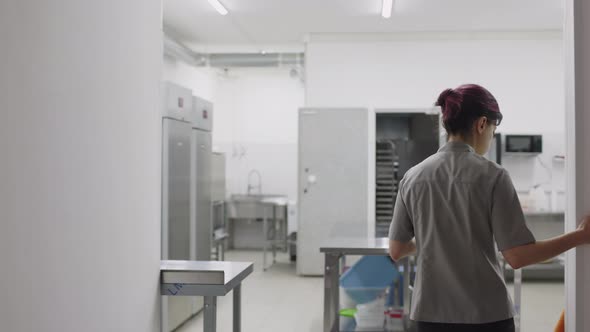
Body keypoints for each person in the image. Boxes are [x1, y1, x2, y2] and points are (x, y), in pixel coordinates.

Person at [388, 84, 590, 332]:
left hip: (428, 314)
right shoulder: (493, 175)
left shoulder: (412, 176)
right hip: (485, 315)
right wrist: (579, 236)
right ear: (482, 124)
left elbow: (396, 249)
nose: (491, 137)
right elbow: (518, 256)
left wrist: (435, 238)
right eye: (494, 130)